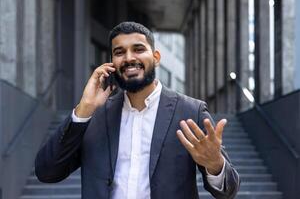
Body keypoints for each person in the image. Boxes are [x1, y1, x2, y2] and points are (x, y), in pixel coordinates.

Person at [35, 21, 240, 199]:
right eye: (119, 52)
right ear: (112, 62)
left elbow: (228, 191)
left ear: (156, 57)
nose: (129, 58)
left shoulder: (190, 111)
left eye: (138, 49)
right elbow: (47, 172)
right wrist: (83, 110)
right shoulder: (94, 116)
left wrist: (215, 165)